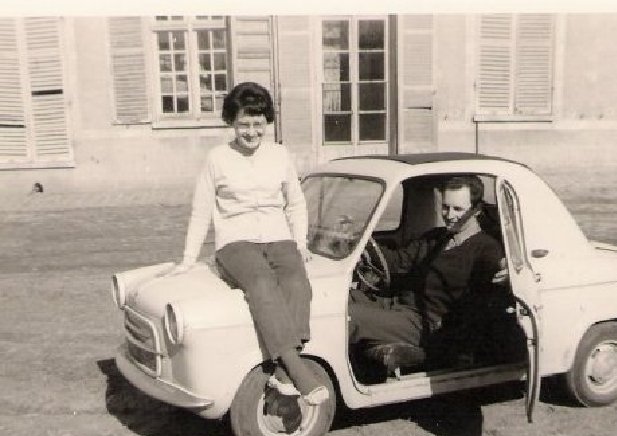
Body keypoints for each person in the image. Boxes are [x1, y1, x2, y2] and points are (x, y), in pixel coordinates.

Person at [171, 82, 329, 406]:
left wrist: (299, 244)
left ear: (266, 122)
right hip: (235, 242)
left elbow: (295, 203)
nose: (252, 132)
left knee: (297, 283)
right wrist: (188, 258)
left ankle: (282, 374)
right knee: (261, 283)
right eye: (244, 124)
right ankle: (296, 368)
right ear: (232, 122)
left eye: (258, 124)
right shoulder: (217, 158)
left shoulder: (280, 155)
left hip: (278, 237)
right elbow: (201, 210)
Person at [348, 177, 504, 368]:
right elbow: (398, 260)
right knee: (339, 300)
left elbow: (497, 268)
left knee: (347, 317)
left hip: (428, 323)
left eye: (458, 209)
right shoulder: (435, 237)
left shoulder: (486, 249)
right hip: (399, 304)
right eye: (445, 207)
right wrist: (360, 243)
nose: (449, 215)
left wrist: (506, 271)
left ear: (476, 210)